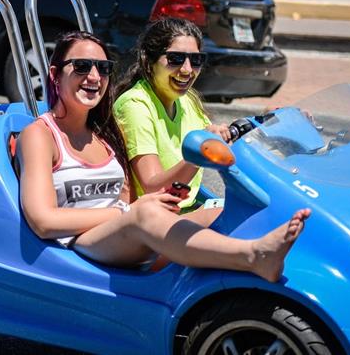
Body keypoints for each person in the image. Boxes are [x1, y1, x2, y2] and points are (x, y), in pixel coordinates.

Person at [17, 31, 310, 281]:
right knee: (145, 213)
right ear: (55, 75)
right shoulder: (41, 135)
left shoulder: (105, 134)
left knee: (226, 209)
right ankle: (253, 256)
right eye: (81, 66)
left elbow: (128, 195)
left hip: (122, 230)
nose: (94, 77)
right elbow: (43, 220)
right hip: (81, 240)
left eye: (102, 68)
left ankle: (298, 272)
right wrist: (127, 212)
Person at [112, 17, 231, 207]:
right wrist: (199, 154)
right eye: (175, 59)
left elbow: (212, 135)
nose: (187, 69)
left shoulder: (188, 100)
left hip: (186, 210)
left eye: (196, 60)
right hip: (151, 217)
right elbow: (153, 187)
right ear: (148, 60)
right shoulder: (135, 104)